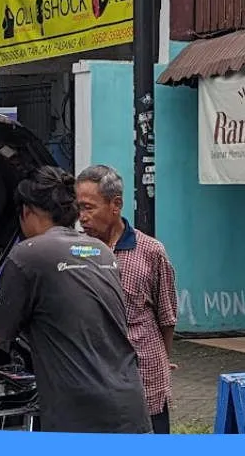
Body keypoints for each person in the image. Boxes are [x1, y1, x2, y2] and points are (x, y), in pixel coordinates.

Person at [0, 165, 152, 434]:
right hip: (129, 406)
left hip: (80, 416)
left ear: (26, 211)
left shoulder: (28, 254)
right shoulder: (102, 252)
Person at [76, 164, 179, 435]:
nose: (82, 217)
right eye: (79, 208)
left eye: (89, 207)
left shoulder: (151, 252)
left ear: (116, 204)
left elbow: (167, 318)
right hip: (95, 380)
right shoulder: (76, 251)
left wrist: (162, 363)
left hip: (145, 379)